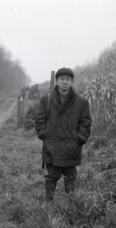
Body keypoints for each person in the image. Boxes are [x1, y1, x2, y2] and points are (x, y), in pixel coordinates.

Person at [35, 67, 92, 202]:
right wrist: (44, 134)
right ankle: (49, 203)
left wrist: (79, 138)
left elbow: (85, 123)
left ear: (72, 82)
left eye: (67, 79)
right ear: (57, 81)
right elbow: (40, 120)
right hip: (52, 145)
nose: (64, 82)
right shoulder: (47, 100)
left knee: (70, 176)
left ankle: (71, 204)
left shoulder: (81, 102)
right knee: (51, 176)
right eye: (62, 79)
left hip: (71, 146)